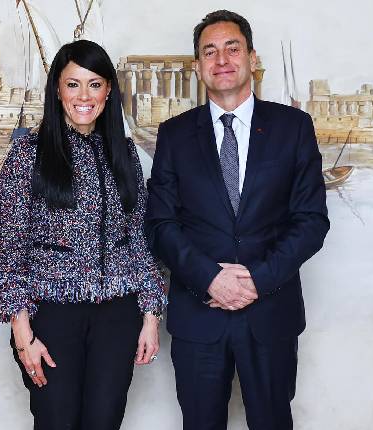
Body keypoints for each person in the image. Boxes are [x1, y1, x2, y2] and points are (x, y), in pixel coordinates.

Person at [145, 10, 329, 430]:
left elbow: (311, 220)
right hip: (199, 315)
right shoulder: (174, 134)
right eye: (210, 52)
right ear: (198, 66)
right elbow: (160, 224)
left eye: (233, 48)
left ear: (251, 57)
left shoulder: (293, 128)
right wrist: (210, 278)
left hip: (270, 312)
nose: (222, 59)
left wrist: (257, 280)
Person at [0, 39, 166, 429]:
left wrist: (151, 315)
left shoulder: (124, 153)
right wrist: (22, 331)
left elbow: (137, 240)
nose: (84, 96)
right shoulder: (27, 154)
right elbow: (11, 248)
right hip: (52, 315)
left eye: (94, 84)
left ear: (108, 91)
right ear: (58, 89)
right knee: (57, 422)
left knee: (104, 421)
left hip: (117, 315)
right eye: (73, 84)